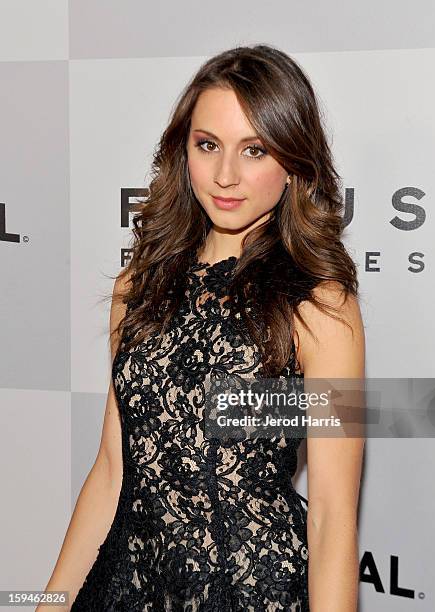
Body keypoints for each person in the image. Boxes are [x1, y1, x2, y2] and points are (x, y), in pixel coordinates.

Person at [38, 43, 365, 611]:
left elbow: (333, 517)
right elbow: (115, 469)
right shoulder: (137, 286)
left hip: (247, 589)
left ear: (292, 163)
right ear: (182, 149)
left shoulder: (318, 304)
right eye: (207, 145)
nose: (225, 175)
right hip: (129, 584)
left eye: (255, 150)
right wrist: (50, 603)